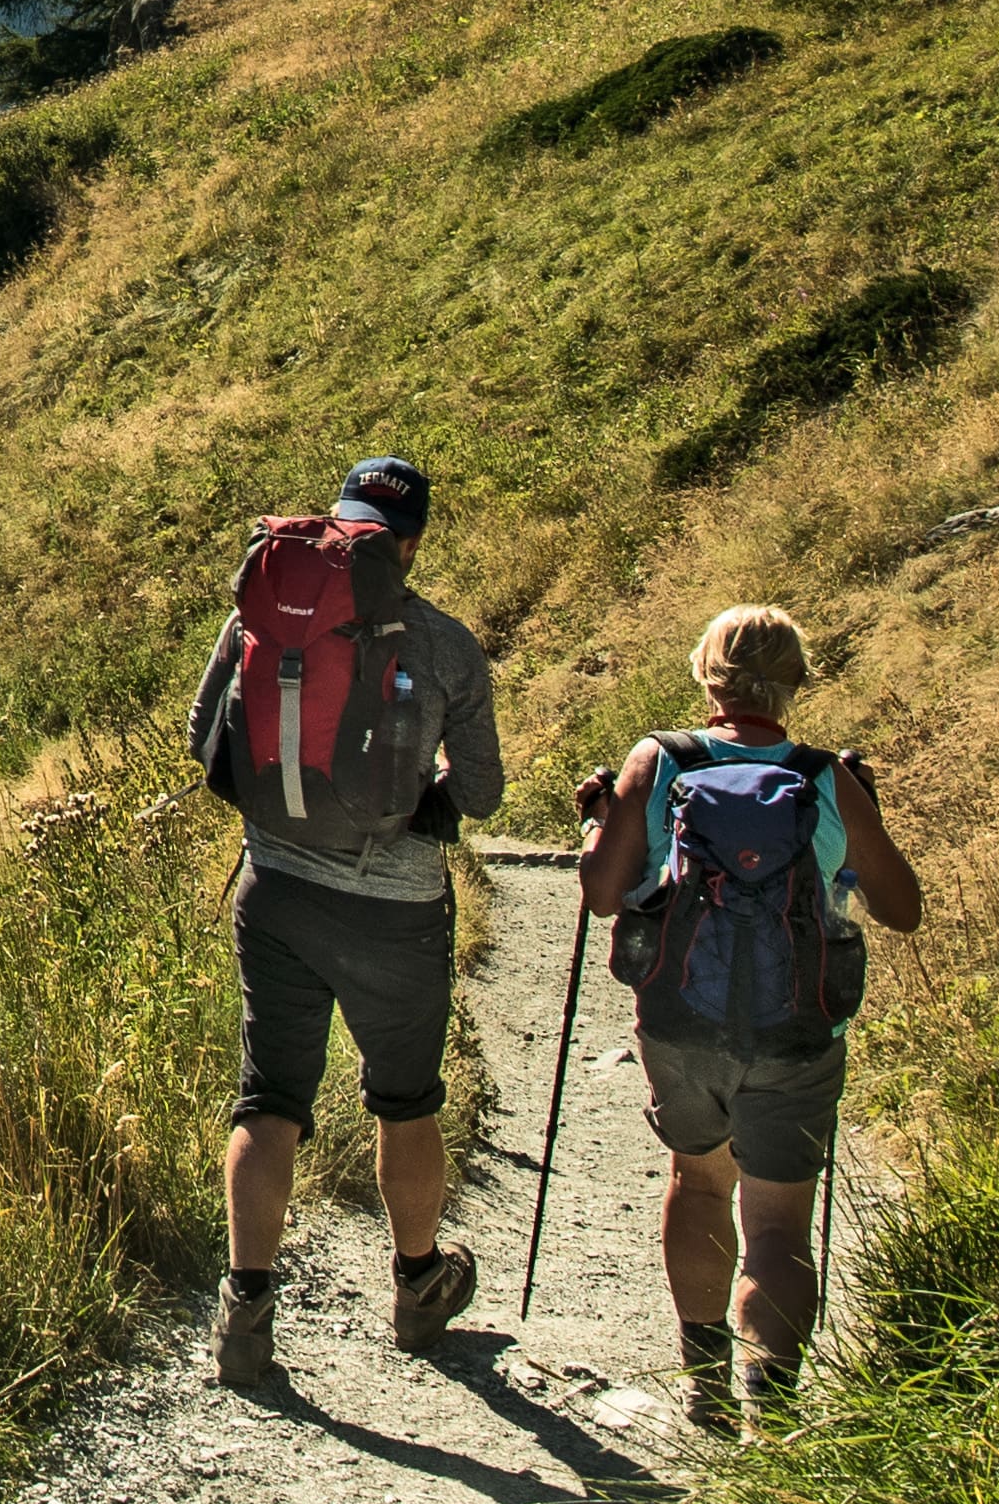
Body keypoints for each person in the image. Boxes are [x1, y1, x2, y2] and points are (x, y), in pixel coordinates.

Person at [196, 454, 506, 1386]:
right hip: (398, 911)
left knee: (271, 1097)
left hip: (276, 893)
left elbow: (202, 733)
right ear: (411, 543)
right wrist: (424, 794)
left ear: (338, 523)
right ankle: (418, 1288)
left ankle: (245, 1315)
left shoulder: (263, 610)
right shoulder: (447, 646)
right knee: (406, 1100)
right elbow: (484, 795)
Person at [576, 603, 925, 1423]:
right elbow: (903, 909)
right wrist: (861, 813)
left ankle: (704, 1381)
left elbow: (598, 895)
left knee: (697, 1183)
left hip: (680, 1024)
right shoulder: (825, 778)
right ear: (796, 681)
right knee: (779, 1225)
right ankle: (774, 1406)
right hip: (797, 1030)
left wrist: (600, 823)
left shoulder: (657, 761)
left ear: (706, 672)